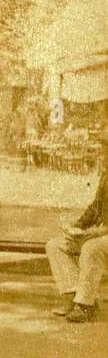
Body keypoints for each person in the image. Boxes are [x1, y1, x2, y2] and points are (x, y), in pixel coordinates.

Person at [45, 126, 108, 324]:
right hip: (103, 233)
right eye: (103, 145)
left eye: (105, 146)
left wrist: (99, 231)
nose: (102, 150)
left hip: (104, 235)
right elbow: (96, 207)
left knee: (92, 248)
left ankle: (85, 305)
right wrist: (78, 226)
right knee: (56, 245)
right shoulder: (106, 172)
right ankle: (74, 297)